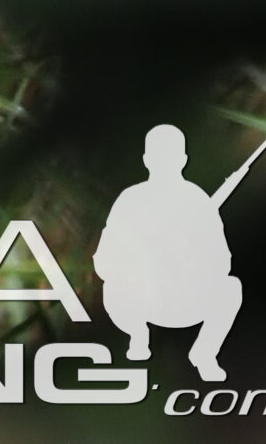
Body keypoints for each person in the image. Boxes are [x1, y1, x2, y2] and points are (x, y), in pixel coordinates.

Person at [98, 123, 246, 384]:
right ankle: (138, 336)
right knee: (112, 288)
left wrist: (189, 255)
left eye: (170, 155)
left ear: (183, 160)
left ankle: (205, 353)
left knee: (231, 288)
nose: (164, 162)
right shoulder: (130, 200)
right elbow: (104, 260)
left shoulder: (198, 201)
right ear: (146, 160)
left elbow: (223, 262)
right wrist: (140, 262)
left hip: (186, 299)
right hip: (140, 300)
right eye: (158, 155)